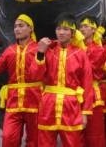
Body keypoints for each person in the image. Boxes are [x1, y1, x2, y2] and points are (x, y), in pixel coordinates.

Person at [34, 13, 94, 147]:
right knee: (45, 143)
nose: (61, 32)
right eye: (58, 28)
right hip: (48, 105)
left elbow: (87, 85)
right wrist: (40, 53)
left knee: (73, 143)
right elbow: (35, 75)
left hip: (71, 107)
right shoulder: (48, 50)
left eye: (66, 29)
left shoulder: (80, 54)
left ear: (73, 33)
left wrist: (85, 113)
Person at [0, 14, 42, 147]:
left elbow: (42, 73)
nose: (17, 29)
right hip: (13, 101)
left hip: (34, 100)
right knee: (8, 137)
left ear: (30, 28)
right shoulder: (10, 50)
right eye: (15, 26)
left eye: (21, 26)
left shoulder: (39, 49)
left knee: (34, 139)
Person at [79, 15, 106, 147]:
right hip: (75, 94)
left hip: (92, 94)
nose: (82, 29)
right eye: (81, 27)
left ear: (94, 30)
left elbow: (89, 69)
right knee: (76, 133)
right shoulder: (75, 47)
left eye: (86, 26)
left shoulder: (99, 50)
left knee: (94, 132)